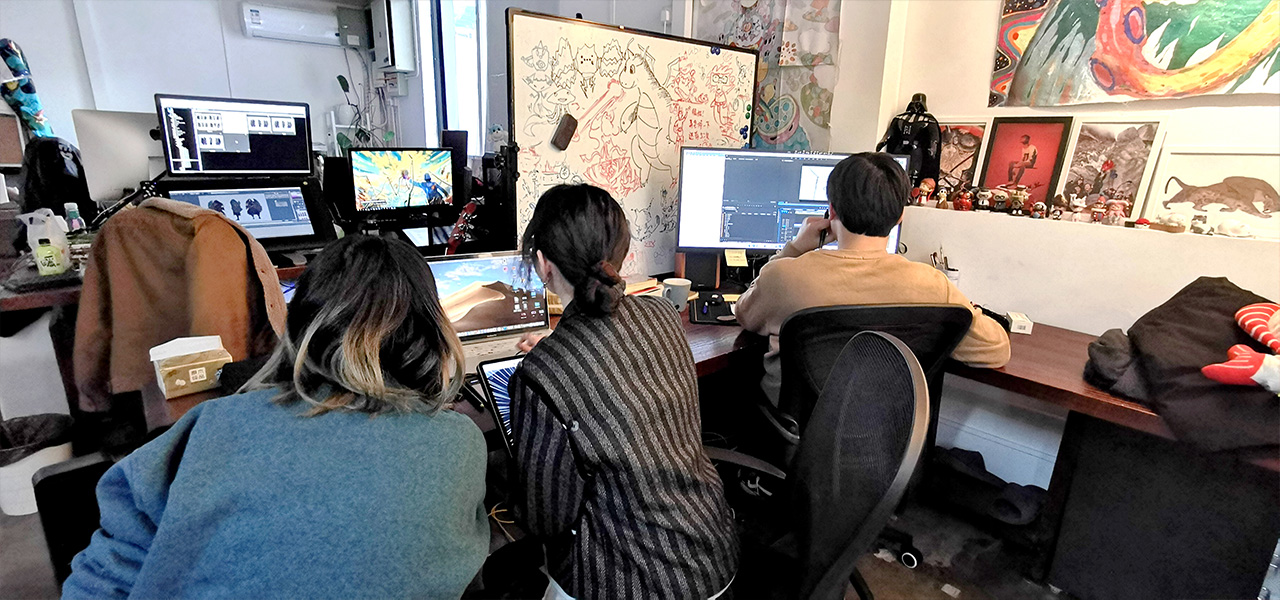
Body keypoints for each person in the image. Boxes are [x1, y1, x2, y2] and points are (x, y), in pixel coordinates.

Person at [62, 235, 490, 599]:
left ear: (298, 325)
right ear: (433, 330)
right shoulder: (459, 440)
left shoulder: (212, 424)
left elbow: (108, 568)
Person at [510, 184, 738, 600]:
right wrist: (560, 349)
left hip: (632, 582)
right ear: (621, 251)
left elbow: (545, 521)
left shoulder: (541, 374)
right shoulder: (662, 313)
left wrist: (555, 356)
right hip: (714, 559)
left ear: (543, 264)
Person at [736, 153, 1011, 407]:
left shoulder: (785, 276)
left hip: (796, 429)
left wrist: (795, 248)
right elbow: (996, 349)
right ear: (900, 215)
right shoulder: (932, 284)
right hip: (887, 433)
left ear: (832, 212)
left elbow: (745, 314)